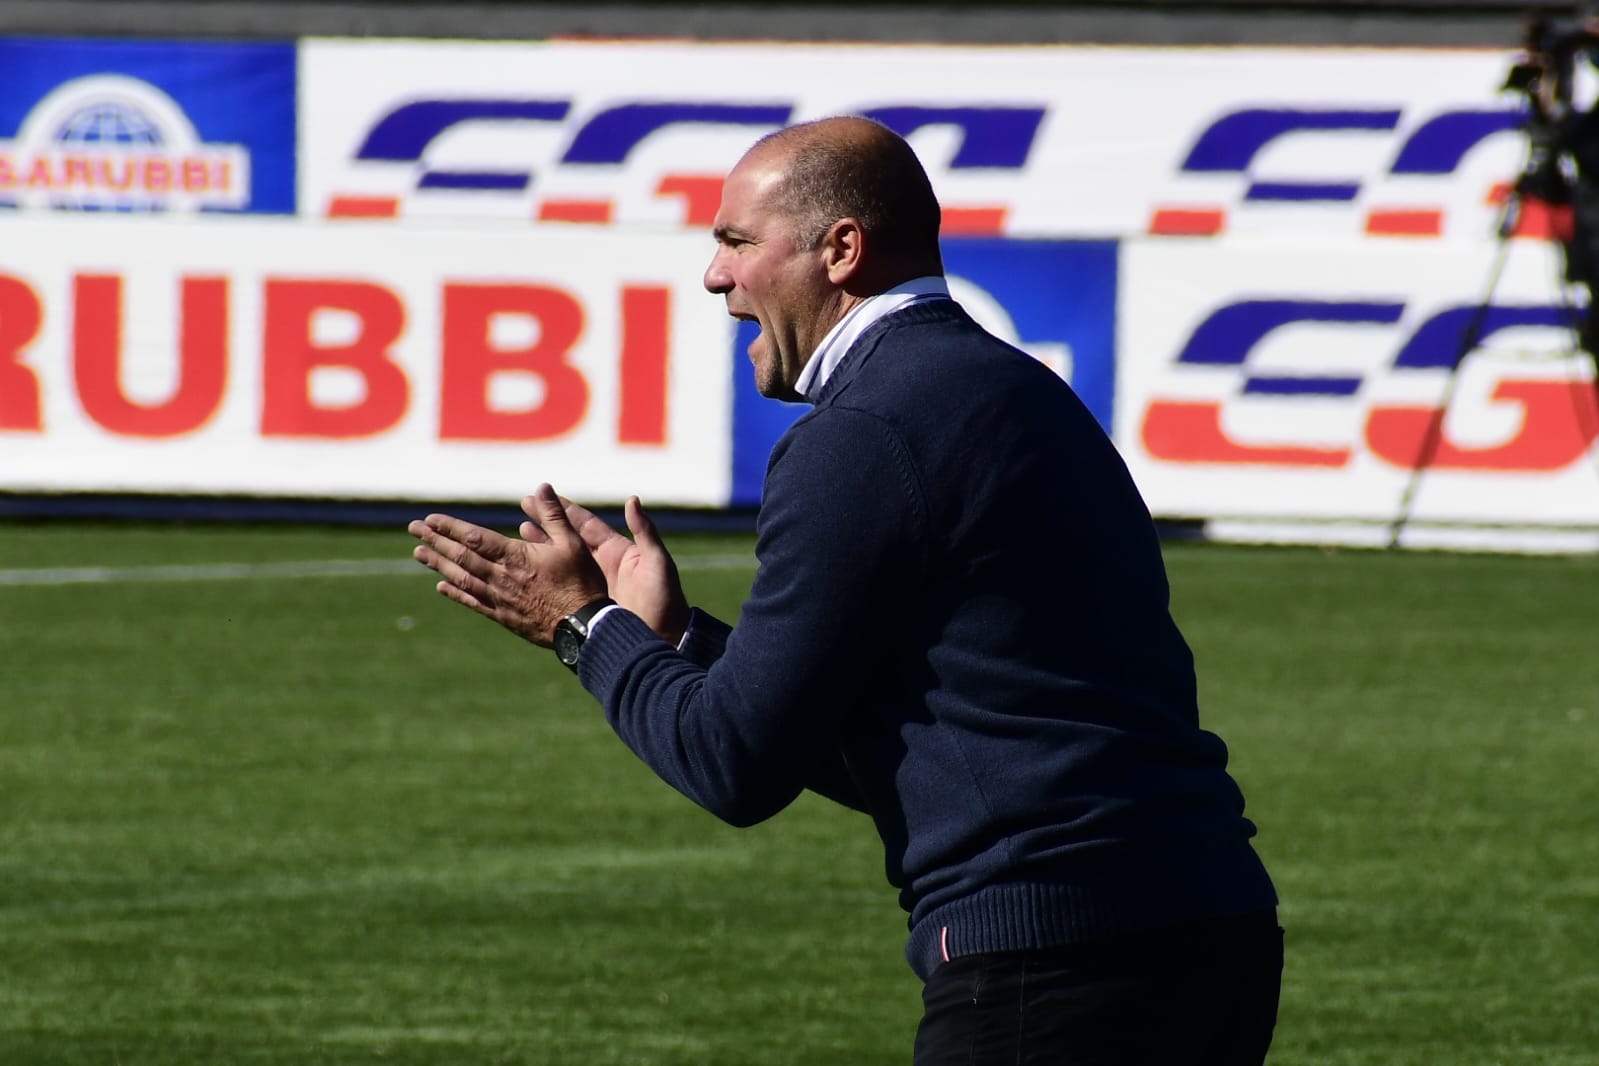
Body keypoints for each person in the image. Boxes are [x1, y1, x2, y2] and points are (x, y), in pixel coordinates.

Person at [409, 116, 1282, 1065]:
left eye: (737, 242)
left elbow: (732, 768)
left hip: (1059, 962)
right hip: (1207, 927)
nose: (714, 276)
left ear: (841, 250)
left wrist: (584, 625)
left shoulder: (863, 434)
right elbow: (924, 738)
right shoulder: (1016, 390)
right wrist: (671, 638)